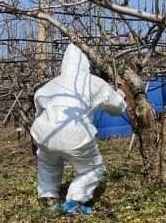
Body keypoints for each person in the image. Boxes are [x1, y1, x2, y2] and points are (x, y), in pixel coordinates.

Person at [30, 43, 126, 215]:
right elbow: (116, 109)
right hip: (75, 133)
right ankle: (74, 201)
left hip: (44, 133)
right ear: (85, 64)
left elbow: (38, 112)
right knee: (92, 168)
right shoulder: (93, 82)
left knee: (48, 163)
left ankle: (48, 200)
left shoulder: (48, 85)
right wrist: (120, 97)